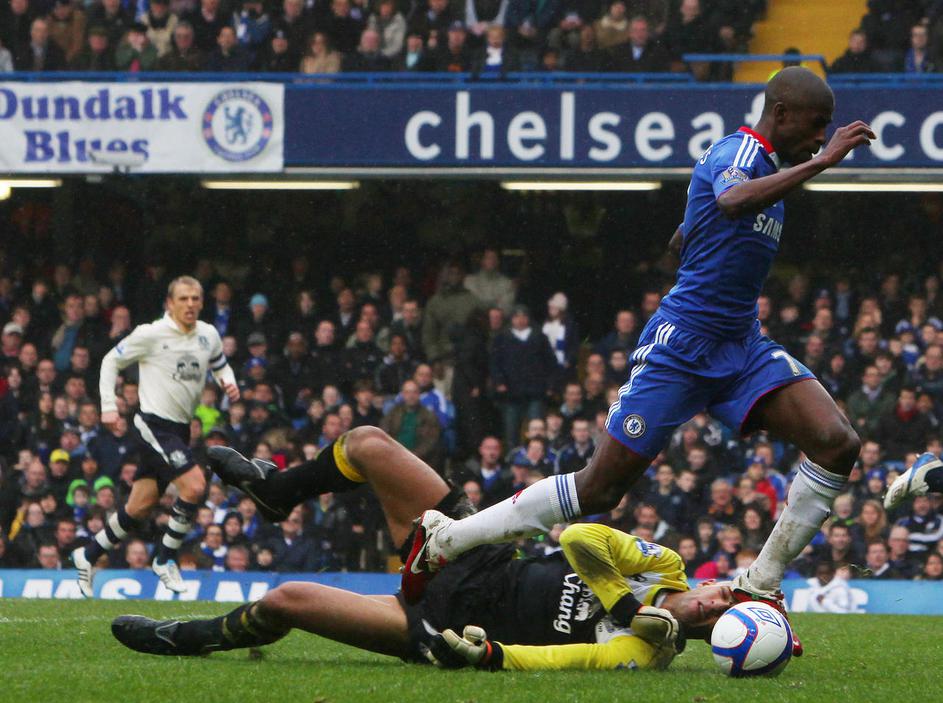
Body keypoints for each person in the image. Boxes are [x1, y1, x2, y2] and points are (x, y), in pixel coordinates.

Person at [403, 68, 879, 660]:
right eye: (815, 126)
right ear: (780, 114)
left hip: (740, 345)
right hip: (681, 349)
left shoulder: (768, 169)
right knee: (599, 488)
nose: (820, 137)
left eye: (825, 132)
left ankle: (760, 586)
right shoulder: (740, 153)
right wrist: (823, 163)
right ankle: (448, 538)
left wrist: (696, 233)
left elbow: (690, 232)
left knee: (837, 443)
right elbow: (730, 199)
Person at [112, 426, 734, 669]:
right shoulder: (667, 566)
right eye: (723, 597)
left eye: (715, 622)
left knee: (284, 600)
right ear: (712, 583)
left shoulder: (645, 653)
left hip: (443, 625)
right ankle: (276, 491)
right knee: (368, 445)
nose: (710, 608)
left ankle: (188, 638)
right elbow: (579, 536)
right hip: (472, 553)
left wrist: (487, 655)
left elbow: (558, 662)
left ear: (709, 638)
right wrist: (625, 605)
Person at [71, 277, 240, 597]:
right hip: (153, 424)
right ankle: (164, 558)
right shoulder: (150, 334)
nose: (190, 304)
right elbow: (110, 361)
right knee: (195, 486)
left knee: (140, 506)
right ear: (170, 303)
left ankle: (88, 554)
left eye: (195, 298)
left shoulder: (208, 334)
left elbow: (220, 365)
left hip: (180, 429)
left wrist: (227, 382)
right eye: (183, 298)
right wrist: (109, 406)